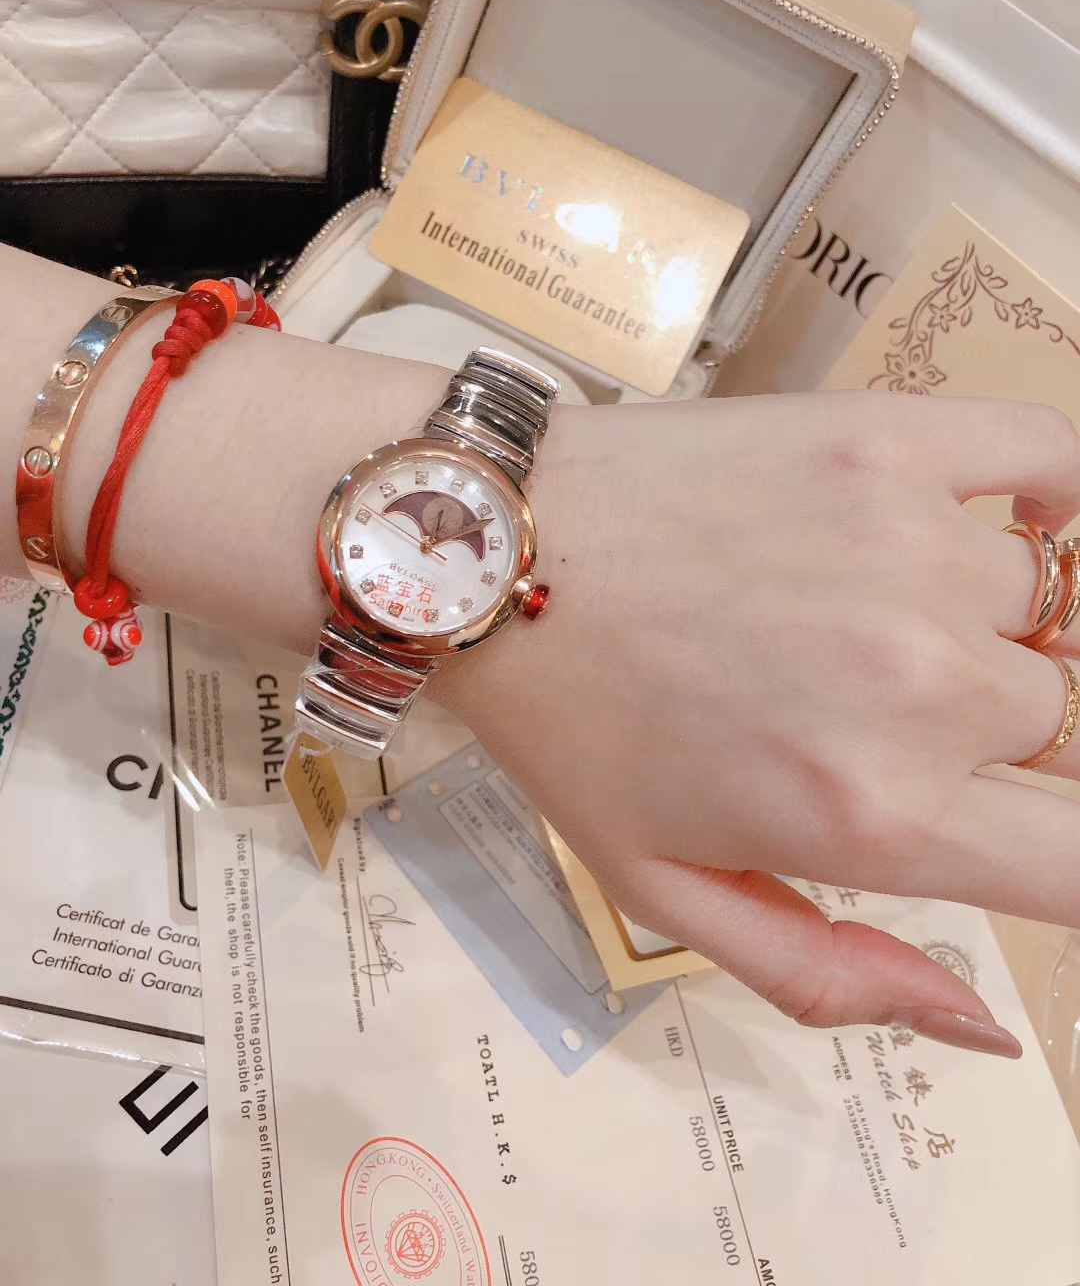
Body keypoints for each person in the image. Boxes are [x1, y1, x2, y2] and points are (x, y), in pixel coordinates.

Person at [6, 241, 1080, 1061]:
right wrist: (571, 510)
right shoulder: (446, 556)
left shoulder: (477, 560)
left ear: (513, 581)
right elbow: (401, 516)